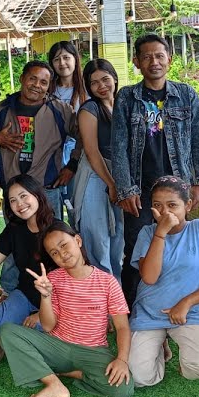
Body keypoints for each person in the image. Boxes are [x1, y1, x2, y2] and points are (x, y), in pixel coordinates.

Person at [110, 34, 199, 309]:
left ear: (169, 59)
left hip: (180, 191)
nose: (153, 62)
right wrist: (126, 189)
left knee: (184, 249)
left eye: (159, 56)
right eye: (146, 57)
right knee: (136, 253)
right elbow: (118, 147)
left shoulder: (186, 94)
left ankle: (185, 307)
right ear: (136, 62)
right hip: (141, 192)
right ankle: (135, 313)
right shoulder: (127, 97)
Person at [0, 221, 134, 397]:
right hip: (56, 346)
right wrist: (45, 296)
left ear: (77, 240)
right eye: (54, 252)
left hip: (92, 350)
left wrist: (122, 360)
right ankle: (53, 384)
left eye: (64, 245)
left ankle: (70, 373)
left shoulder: (108, 282)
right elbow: (47, 326)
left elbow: (122, 327)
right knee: (8, 331)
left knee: (123, 389)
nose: (62, 253)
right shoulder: (53, 279)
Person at [126, 176, 199, 388]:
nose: (165, 212)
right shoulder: (147, 233)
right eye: (157, 205)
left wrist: (186, 303)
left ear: (188, 205)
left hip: (190, 315)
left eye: (172, 205)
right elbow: (149, 277)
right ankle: (160, 346)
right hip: (150, 313)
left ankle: (170, 345)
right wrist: (161, 233)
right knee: (139, 377)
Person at [0, 61, 78, 221]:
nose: (37, 85)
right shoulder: (3, 109)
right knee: (16, 242)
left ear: (49, 86)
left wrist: (72, 166)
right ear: (22, 78)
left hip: (47, 188)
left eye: (43, 82)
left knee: (51, 239)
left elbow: (83, 137)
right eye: (32, 79)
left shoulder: (60, 110)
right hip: (13, 190)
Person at [0, 175, 57, 332]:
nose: (20, 204)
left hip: (54, 300)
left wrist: (41, 313)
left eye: (23, 196)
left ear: (37, 195)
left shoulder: (57, 230)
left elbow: (74, 278)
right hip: (24, 295)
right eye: (13, 200)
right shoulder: (14, 229)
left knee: (46, 329)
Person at [69, 58, 123, 278]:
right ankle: (103, 304)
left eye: (105, 79)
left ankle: (117, 300)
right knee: (98, 242)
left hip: (119, 176)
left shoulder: (122, 105)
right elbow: (91, 151)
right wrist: (110, 184)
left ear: (115, 78)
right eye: (94, 83)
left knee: (119, 243)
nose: (101, 86)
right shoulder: (89, 109)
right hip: (95, 176)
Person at [47, 41, 88, 221]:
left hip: (81, 155)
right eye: (57, 59)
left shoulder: (87, 89)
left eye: (66, 57)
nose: (62, 63)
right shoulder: (47, 90)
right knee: (52, 211)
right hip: (51, 155)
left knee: (77, 209)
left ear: (75, 59)